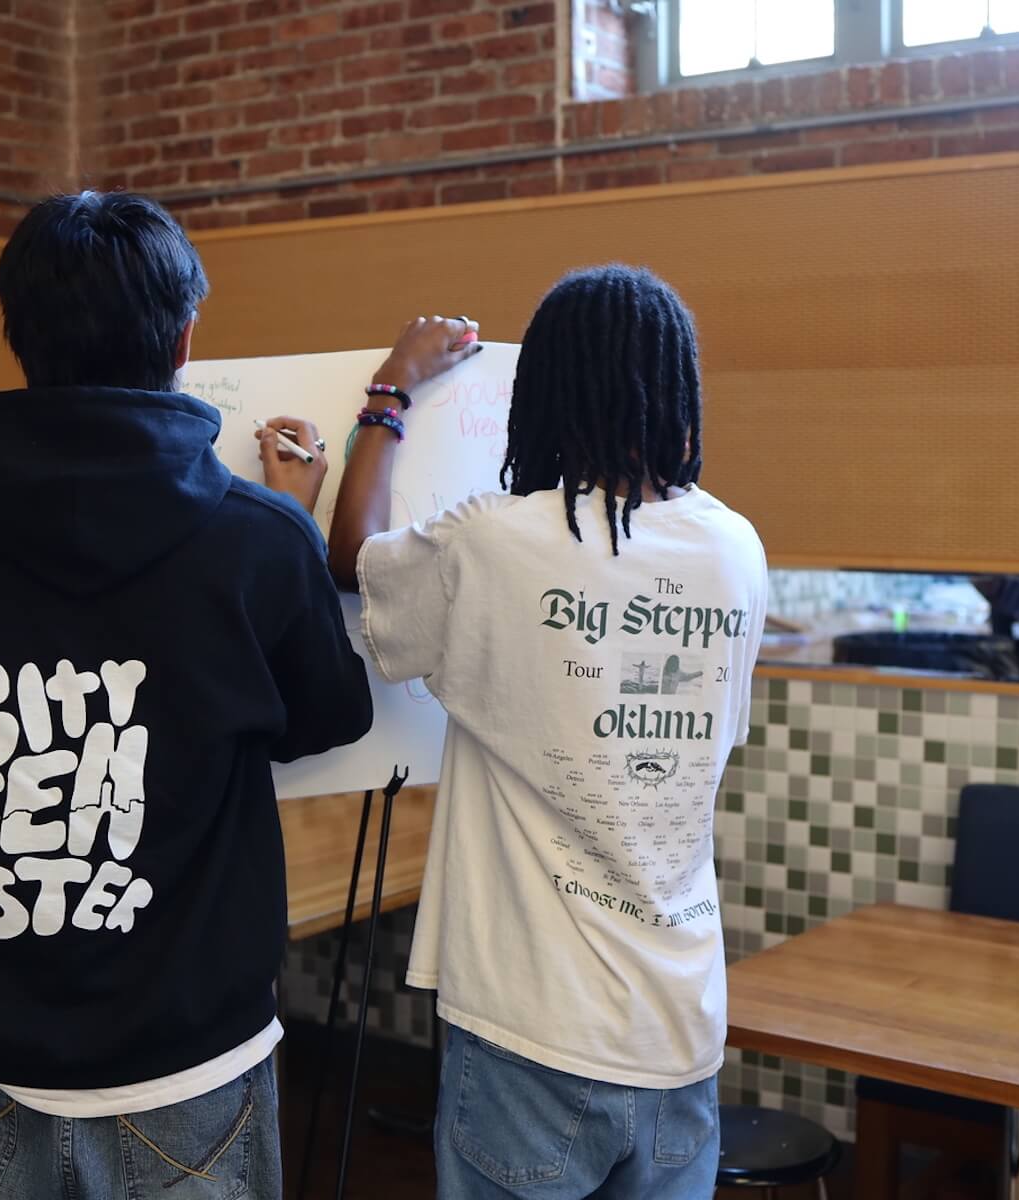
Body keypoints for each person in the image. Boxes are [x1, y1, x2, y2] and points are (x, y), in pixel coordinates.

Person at [0, 192, 376, 1200]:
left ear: (16, 332)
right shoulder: (258, 537)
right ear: (185, 336)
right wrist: (289, 526)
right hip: (188, 1053)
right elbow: (330, 716)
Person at [309, 266, 768, 1199]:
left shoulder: (498, 541)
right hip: (681, 1028)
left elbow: (350, 559)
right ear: (677, 391)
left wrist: (391, 392)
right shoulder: (736, 549)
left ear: (542, 397)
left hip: (534, 1028)